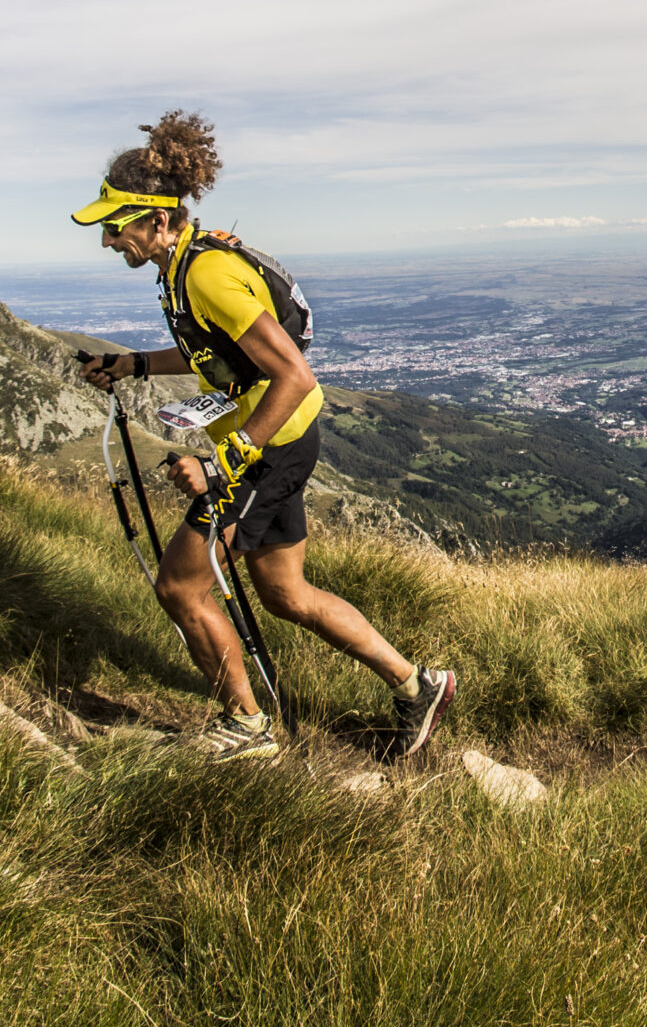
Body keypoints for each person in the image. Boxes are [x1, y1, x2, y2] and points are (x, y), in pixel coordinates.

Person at [71, 109, 456, 763]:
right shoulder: (183, 264)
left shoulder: (206, 273)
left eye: (115, 227)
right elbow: (209, 351)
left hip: (265, 449)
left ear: (157, 220)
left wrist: (229, 465)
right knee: (284, 593)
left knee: (180, 587)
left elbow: (294, 376)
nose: (109, 241)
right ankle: (420, 685)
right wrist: (132, 364)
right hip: (279, 444)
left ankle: (247, 727)